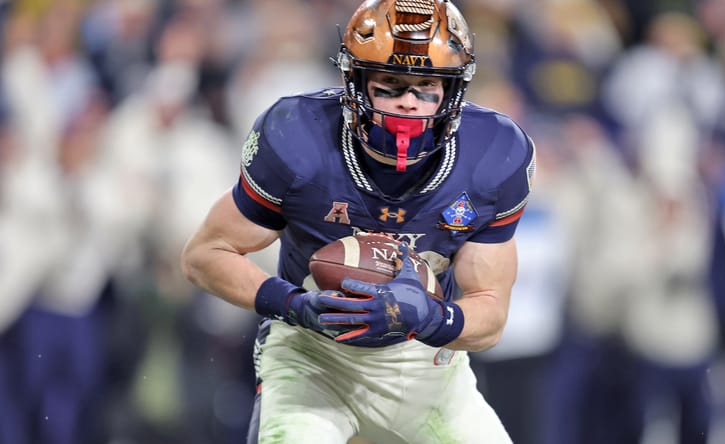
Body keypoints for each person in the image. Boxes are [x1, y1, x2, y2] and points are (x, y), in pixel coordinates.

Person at [181, 1, 535, 442]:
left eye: (426, 86)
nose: (408, 103)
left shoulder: (493, 156)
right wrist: (293, 304)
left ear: (453, 91)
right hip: (312, 353)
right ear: (355, 82)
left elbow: (491, 314)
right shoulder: (298, 137)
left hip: (422, 360)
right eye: (390, 84)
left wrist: (429, 317)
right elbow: (204, 255)